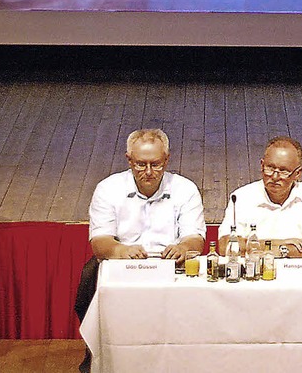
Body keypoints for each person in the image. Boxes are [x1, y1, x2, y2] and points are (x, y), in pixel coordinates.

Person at [75, 128, 206, 372]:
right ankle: (96, 355)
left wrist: (183, 248)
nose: (148, 172)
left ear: (166, 160)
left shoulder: (185, 189)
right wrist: (120, 250)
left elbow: (195, 239)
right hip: (121, 261)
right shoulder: (108, 188)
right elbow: (99, 242)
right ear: (129, 160)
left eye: (156, 164)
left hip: (171, 264)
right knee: (88, 276)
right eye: (140, 164)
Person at [218, 136, 302, 257]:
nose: (275, 177)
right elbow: (225, 246)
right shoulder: (241, 196)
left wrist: (281, 251)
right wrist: (278, 244)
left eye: (284, 171)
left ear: (297, 173)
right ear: (262, 165)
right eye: (270, 168)